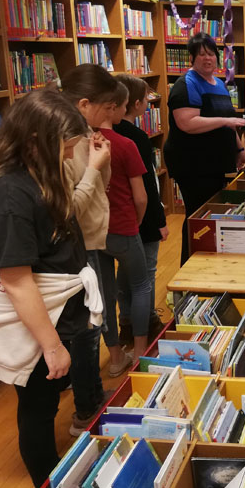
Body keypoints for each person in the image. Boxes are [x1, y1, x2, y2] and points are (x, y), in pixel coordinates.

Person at [0, 90, 101, 488]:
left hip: (55, 307)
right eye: (66, 147)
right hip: (35, 318)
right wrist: (52, 346)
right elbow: (17, 280)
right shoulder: (3, 192)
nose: (69, 155)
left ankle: (55, 480)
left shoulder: (32, 171)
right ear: (37, 140)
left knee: (47, 397)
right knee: (39, 406)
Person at [60, 63, 116, 436]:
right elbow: (71, 211)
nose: (109, 115)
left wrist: (100, 162)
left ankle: (94, 398)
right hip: (76, 248)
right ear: (83, 104)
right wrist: (95, 167)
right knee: (86, 330)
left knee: (94, 325)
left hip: (92, 239)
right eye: (105, 107)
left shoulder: (85, 136)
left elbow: (99, 188)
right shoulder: (62, 144)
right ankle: (85, 411)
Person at [164, 32, 245, 265]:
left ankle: (208, 263)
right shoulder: (186, 84)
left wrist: (240, 151)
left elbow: (229, 123)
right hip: (193, 164)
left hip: (215, 163)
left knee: (211, 214)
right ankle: (189, 266)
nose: (207, 58)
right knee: (197, 216)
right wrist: (225, 121)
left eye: (211, 53)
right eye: (201, 54)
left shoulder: (220, 84)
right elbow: (187, 123)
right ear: (191, 58)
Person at [97, 82, 152, 364]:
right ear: (113, 107)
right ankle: (140, 351)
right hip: (124, 226)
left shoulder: (81, 143)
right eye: (124, 104)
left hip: (94, 231)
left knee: (104, 292)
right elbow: (140, 197)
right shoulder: (125, 144)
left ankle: (116, 357)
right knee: (141, 285)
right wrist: (137, 221)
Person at [113, 74, 169, 345]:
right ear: (135, 104)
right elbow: (147, 186)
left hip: (118, 217)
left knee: (124, 274)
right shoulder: (136, 138)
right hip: (142, 217)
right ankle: (148, 323)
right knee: (146, 273)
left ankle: (125, 323)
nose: (149, 102)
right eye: (147, 99)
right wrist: (159, 221)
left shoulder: (106, 134)